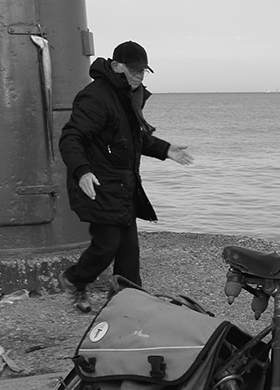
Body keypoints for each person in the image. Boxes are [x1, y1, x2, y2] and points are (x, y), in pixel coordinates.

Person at [58, 41, 193, 312]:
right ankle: (74, 279)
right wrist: (82, 171)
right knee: (107, 244)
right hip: (98, 184)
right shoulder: (95, 97)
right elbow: (71, 137)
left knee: (129, 250)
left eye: (143, 71)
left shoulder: (129, 95)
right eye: (134, 70)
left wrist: (166, 149)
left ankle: (127, 299)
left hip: (124, 185)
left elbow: (133, 138)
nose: (139, 76)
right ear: (116, 66)